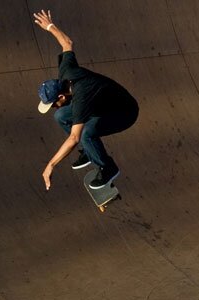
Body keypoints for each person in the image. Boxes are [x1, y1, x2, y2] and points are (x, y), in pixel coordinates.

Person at [34, 10, 138, 191]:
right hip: (101, 104)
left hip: (124, 112)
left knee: (85, 132)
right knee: (60, 116)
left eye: (53, 104)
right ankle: (89, 152)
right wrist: (50, 26)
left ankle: (108, 168)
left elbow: (74, 137)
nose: (52, 107)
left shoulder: (81, 97)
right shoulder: (66, 72)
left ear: (61, 96)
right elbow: (67, 43)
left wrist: (51, 165)